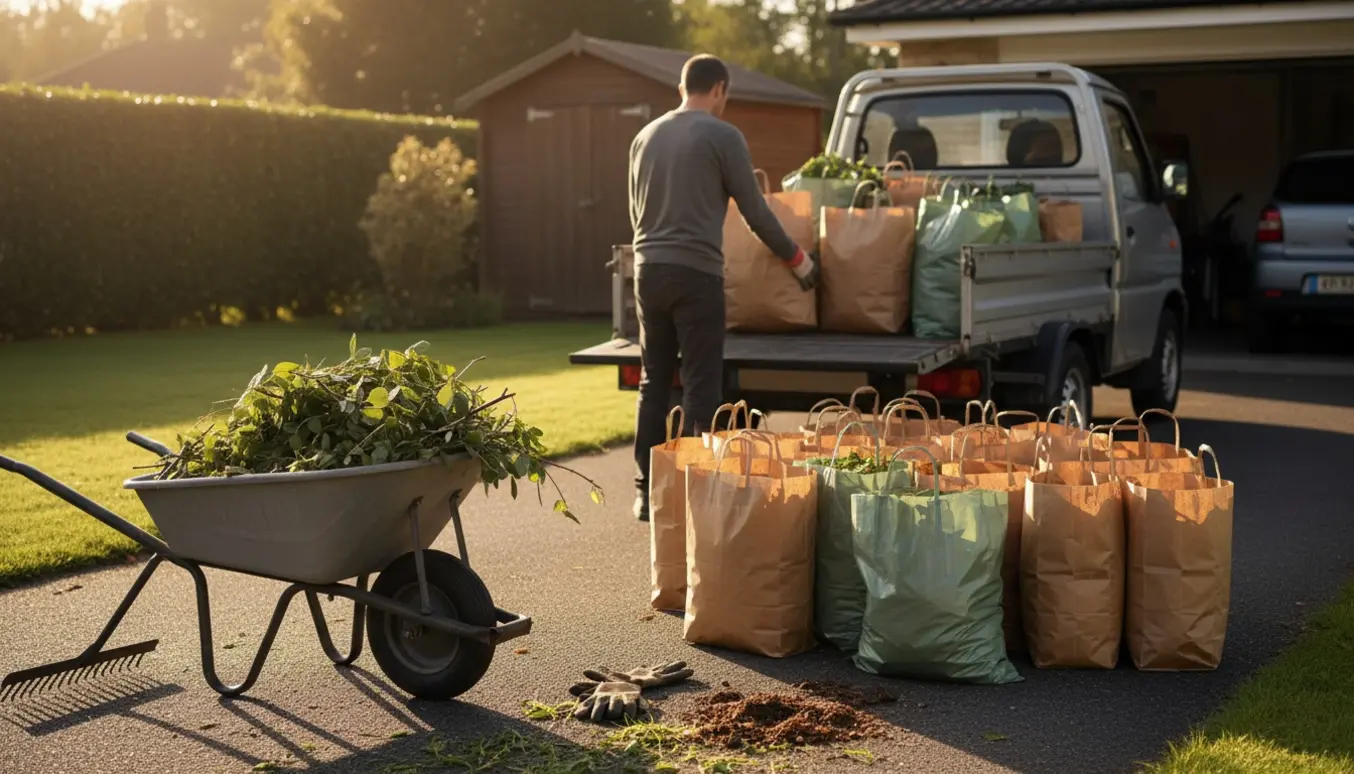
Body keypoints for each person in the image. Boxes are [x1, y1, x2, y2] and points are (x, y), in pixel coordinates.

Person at [627, 54, 817, 522]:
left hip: (647, 270)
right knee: (700, 384)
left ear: (682, 87)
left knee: (653, 382)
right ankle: (695, 490)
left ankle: (647, 492)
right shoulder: (722, 135)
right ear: (719, 89)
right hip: (697, 274)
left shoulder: (644, 137)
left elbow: (635, 210)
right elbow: (754, 210)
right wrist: (797, 259)